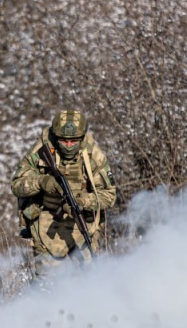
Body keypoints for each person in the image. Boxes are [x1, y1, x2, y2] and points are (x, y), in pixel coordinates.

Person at [11, 109, 117, 276]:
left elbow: (109, 195)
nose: (68, 146)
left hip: (83, 222)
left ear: (82, 138)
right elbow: (17, 184)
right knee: (47, 282)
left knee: (88, 278)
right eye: (64, 141)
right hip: (47, 219)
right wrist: (41, 182)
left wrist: (83, 202)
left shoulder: (93, 156)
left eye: (73, 141)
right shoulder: (42, 149)